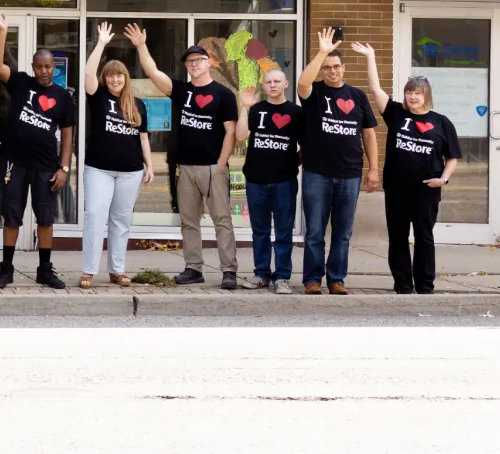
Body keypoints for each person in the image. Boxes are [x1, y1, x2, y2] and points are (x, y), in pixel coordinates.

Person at [130, 24, 240, 289]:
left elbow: (231, 131)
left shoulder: (223, 94)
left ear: (208, 63)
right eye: (190, 61)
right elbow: (153, 72)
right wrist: (141, 46)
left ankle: (229, 271)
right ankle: (193, 268)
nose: (194, 64)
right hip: (186, 168)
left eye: (198, 60)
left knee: (222, 221)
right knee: (189, 222)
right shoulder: (181, 90)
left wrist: (222, 162)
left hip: (213, 167)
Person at [356, 44, 460, 295]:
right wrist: (371, 56)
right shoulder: (396, 114)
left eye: (417, 93)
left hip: (427, 189)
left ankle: (425, 286)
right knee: (398, 237)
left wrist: (443, 180)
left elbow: (453, 157)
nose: (412, 97)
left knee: (424, 237)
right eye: (409, 92)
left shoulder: (441, 122)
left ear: (427, 96)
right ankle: (403, 285)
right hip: (397, 189)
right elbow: (375, 89)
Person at [0, 10, 75, 290]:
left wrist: (64, 167)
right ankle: (6, 269)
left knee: (45, 219)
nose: (44, 71)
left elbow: (68, 133)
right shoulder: (21, 82)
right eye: (39, 66)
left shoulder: (62, 96)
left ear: (54, 67)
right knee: (12, 216)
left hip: (46, 166)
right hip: (15, 163)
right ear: (33, 67)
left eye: (48, 66)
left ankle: (44, 270)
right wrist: (3, 32)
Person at [296, 28, 380, 295]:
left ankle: (336, 280)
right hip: (317, 173)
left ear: (344, 68)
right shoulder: (314, 94)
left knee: (343, 232)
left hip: (350, 174)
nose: (332, 71)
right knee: (314, 232)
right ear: (322, 70)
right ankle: (312, 280)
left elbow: (369, 134)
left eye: (336, 67)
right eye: (327, 67)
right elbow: (302, 83)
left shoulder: (357, 96)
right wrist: (321, 53)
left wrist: (374, 169)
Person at [79, 23, 153, 289]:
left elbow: (143, 137)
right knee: (94, 217)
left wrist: (149, 165)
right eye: (110, 76)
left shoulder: (138, 104)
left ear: (126, 78)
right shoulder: (97, 96)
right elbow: (89, 73)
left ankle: (117, 270)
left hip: (131, 171)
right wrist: (101, 43)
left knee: (121, 221)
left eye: (119, 75)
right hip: (99, 168)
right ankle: (88, 271)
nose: (114, 80)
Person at [237, 68, 302, 294]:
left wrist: (291, 163)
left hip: (285, 180)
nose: (272, 85)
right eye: (268, 82)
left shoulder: (296, 112)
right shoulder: (256, 110)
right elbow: (240, 136)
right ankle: (261, 274)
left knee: (284, 231)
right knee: (260, 231)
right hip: (256, 179)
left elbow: (306, 146)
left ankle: (282, 277)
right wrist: (244, 108)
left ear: (286, 83)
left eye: (276, 81)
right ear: (263, 86)